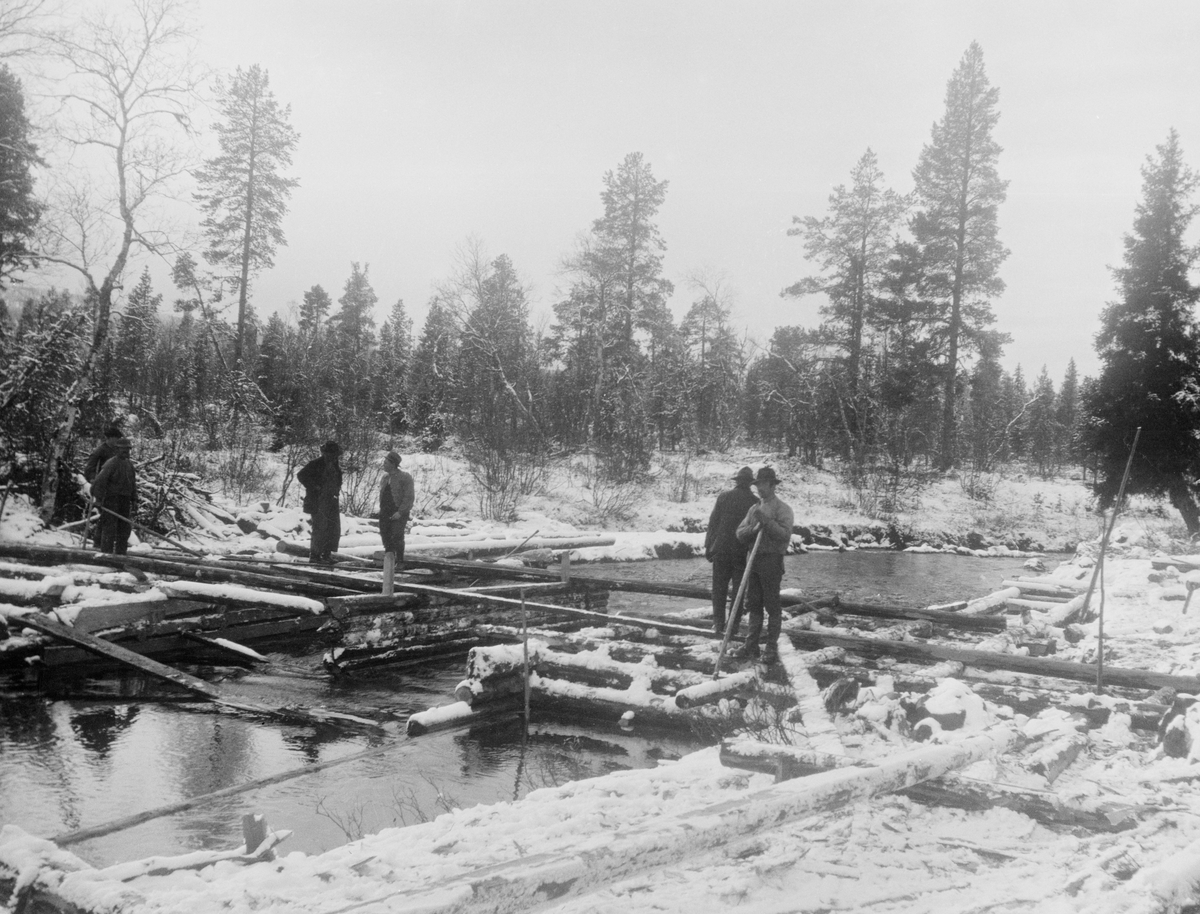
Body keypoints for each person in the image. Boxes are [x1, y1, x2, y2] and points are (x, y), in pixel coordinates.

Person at [734, 466, 795, 664]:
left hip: (771, 561)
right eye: (757, 484)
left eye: (763, 484)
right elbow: (740, 533)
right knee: (754, 604)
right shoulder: (753, 509)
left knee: (772, 605)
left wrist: (767, 523)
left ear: (772, 485)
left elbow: (784, 535)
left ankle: (770, 647)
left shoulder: (783, 509)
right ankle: (751, 645)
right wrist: (754, 528)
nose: (759, 488)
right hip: (753, 561)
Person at [704, 466, 759, 636]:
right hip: (741, 553)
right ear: (750, 483)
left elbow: (713, 524)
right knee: (739, 590)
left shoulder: (724, 497)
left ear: (737, 481)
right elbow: (754, 530)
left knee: (718, 589)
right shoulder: (755, 502)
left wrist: (708, 547)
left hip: (721, 550)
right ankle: (733, 626)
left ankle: (718, 624)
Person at [298, 440, 343, 564]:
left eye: (335, 455)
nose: (333, 457)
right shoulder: (315, 464)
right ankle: (315, 556)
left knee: (332, 528)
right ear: (325, 453)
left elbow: (337, 480)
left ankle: (327, 555)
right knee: (320, 528)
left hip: (332, 500)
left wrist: (336, 490)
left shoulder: (335, 465)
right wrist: (315, 487)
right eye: (331, 454)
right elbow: (301, 475)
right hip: (318, 501)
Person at [91, 437, 137, 555]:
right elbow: (99, 482)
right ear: (117, 449)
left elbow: (133, 485)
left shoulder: (129, 465)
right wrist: (99, 499)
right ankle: (106, 553)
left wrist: (134, 500)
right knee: (109, 527)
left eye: (127, 449)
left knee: (124, 528)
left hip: (125, 501)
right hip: (112, 499)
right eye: (123, 449)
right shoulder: (111, 463)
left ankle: (121, 553)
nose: (125, 452)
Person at [379, 451, 415, 562]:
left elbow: (409, 497)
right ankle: (389, 562)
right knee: (385, 537)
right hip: (385, 512)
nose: (383, 464)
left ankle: (399, 562)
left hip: (399, 512)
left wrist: (400, 512)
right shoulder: (385, 477)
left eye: (386, 462)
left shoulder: (405, 477)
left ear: (393, 464)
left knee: (397, 536)